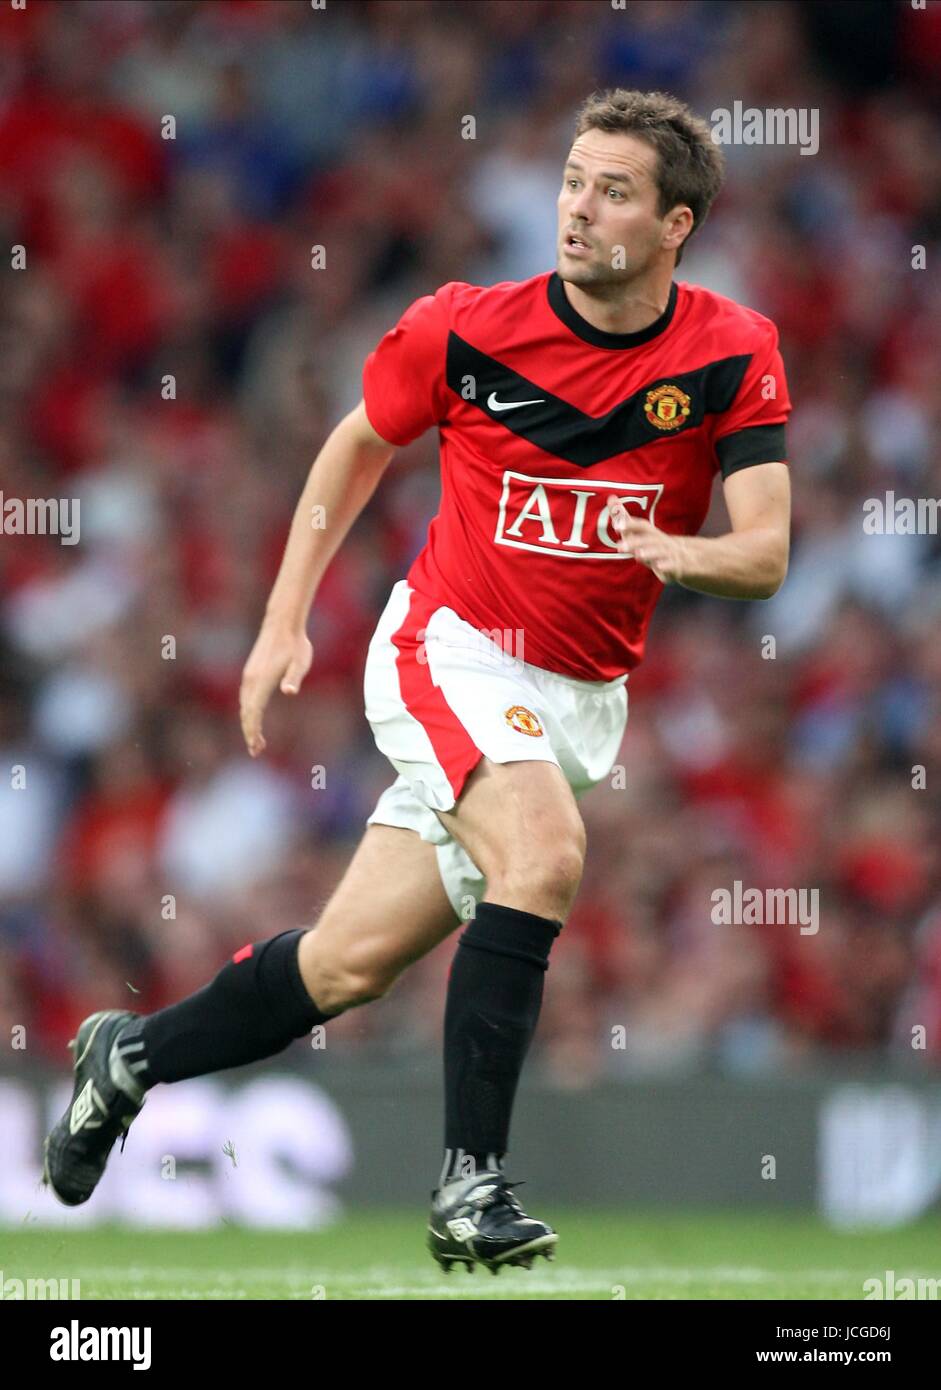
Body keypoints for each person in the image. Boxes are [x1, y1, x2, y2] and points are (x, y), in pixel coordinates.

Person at [43, 88, 791, 1275]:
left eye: (612, 192)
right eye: (571, 181)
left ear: (674, 226)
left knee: (344, 965)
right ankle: (467, 1181)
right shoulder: (465, 327)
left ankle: (125, 1058)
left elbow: (764, 552)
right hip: (446, 647)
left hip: (577, 698)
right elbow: (356, 444)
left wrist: (678, 551)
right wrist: (281, 622)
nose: (576, 208)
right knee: (541, 855)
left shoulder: (730, 351)